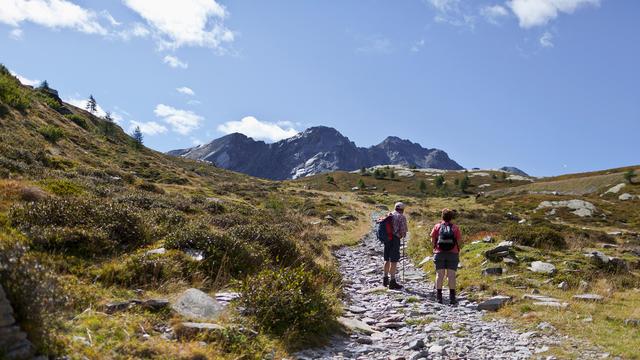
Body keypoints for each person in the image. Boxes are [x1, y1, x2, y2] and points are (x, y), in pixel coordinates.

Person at [430, 208, 462, 305]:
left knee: (440, 275)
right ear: (451, 217)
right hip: (453, 253)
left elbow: (432, 239)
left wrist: (435, 247)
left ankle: (439, 297)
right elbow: (459, 241)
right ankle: (452, 298)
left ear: (442, 216)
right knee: (451, 275)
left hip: (439, 253)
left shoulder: (437, 226)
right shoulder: (455, 228)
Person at [383, 202, 408, 290]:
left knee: (386, 259)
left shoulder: (389, 214)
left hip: (387, 239)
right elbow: (404, 231)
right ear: (402, 209)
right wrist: (402, 235)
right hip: (395, 239)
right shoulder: (401, 217)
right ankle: (392, 281)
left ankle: (385, 280)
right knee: (394, 260)